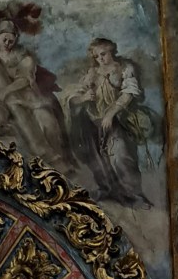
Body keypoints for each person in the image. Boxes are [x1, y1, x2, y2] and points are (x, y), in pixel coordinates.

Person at [0, 19, 72, 173]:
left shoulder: (23, 56)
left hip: (26, 97)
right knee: (5, 120)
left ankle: (55, 162)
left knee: (46, 121)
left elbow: (24, 79)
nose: (7, 43)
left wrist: (7, 91)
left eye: (11, 40)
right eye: (4, 39)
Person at [66, 37, 153, 207]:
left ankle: (134, 195)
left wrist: (111, 114)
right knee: (98, 159)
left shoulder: (124, 68)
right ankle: (107, 189)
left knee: (121, 155)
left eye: (103, 54)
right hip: (92, 121)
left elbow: (128, 93)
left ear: (112, 50)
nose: (100, 59)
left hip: (117, 119)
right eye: (97, 56)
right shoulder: (92, 73)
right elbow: (73, 96)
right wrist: (84, 98)